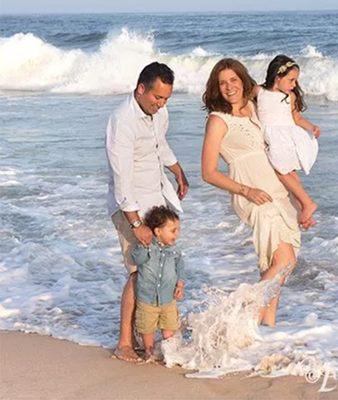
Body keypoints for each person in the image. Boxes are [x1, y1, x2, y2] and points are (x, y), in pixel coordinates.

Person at [201, 58, 301, 327]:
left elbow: (279, 91)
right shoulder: (218, 120)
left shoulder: (254, 106)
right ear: (215, 87)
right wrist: (246, 191)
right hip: (251, 192)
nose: (229, 87)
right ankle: (239, 315)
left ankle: (266, 324)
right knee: (285, 260)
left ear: (243, 80)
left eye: (234, 80)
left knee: (274, 262)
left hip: (276, 190)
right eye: (222, 83)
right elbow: (209, 172)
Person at [105, 61, 189, 363]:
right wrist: (136, 222)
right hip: (131, 206)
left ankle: (151, 334)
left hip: (157, 199)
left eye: (166, 98)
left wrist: (177, 170)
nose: (161, 104)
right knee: (139, 273)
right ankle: (124, 342)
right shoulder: (122, 121)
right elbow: (121, 177)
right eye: (157, 98)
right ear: (141, 89)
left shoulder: (158, 113)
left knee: (161, 269)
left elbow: (159, 145)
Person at [254, 54, 321, 229]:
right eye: (291, 80)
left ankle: (307, 203)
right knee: (290, 175)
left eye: (296, 81)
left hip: (285, 138)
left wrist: (311, 126)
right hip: (273, 137)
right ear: (277, 77)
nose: (294, 85)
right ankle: (303, 213)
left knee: (281, 171)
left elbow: (296, 118)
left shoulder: (289, 97)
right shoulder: (259, 91)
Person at [132, 206, 185, 363]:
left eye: (178, 230)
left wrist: (180, 284)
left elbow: (180, 268)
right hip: (147, 298)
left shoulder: (175, 251)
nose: (177, 234)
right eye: (173, 230)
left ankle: (170, 352)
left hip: (168, 298)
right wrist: (145, 247)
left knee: (169, 326)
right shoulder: (146, 248)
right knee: (146, 327)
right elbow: (137, 260)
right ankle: (149, 351)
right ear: (157, 232)